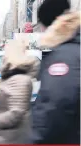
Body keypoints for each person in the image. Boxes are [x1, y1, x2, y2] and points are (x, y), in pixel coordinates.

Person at [29, 0, 80, 144]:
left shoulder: (64, 57)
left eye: (43, 25)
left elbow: (54, 108)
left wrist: (34, 139)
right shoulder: (74, 47)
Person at [0, 38, 40, 144]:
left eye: (7, 51)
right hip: (2, 136)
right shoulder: (10, 74)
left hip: (11, 138)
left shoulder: (21, 79)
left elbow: (16, 113)